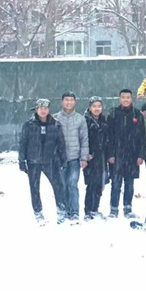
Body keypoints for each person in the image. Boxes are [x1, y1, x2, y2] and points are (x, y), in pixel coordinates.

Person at [18, 99, 67, 224]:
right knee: (34, 188)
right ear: (36, 110)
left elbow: (61, 143)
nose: (43, 111)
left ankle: (61, 212)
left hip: (51, 161)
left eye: (45, 108)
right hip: (33, 161)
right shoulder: (29, 125)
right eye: (41, 108)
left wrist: (63, 159)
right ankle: (38, 213)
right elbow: (23, 143)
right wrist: (22, 160)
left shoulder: (56, 124)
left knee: (58, 187)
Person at [107, 89, 146, 218]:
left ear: (132, 98)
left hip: (132, 155)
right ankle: (113, 209)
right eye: (123, 97)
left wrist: (141, 155)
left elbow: (142, 137)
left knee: (129, 183)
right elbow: (109, 136)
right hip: (117, 154)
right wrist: (110, 154)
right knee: (116, 183)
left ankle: (128, 208)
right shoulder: (113, 113)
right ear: (120, 99)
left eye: (128, 97)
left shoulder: (137, 114)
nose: (126, 100)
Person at [53, 91, 89, 222]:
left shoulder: (80, 119)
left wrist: (84, 157)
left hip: (74, 158)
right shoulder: (55, 118)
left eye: (71, 100)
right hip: (59, 159)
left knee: (72, 184)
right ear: (62, 102)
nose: (69, 102)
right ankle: (63, 211)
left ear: (75, 102)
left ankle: (74, 212)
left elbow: (84, 140)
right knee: (61, 185)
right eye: (66, 100)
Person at [83, 96, 110, 221]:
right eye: (94, 106)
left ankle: (95, 209)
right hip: (90, 157)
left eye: (99, 106)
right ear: (90, 108)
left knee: (100, 183)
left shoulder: (104, 121)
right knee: (91, 184)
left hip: (102, 156)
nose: (97, 109)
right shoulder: (85, 121)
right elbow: (83, 139)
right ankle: (88, 210)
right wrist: (86, 153)